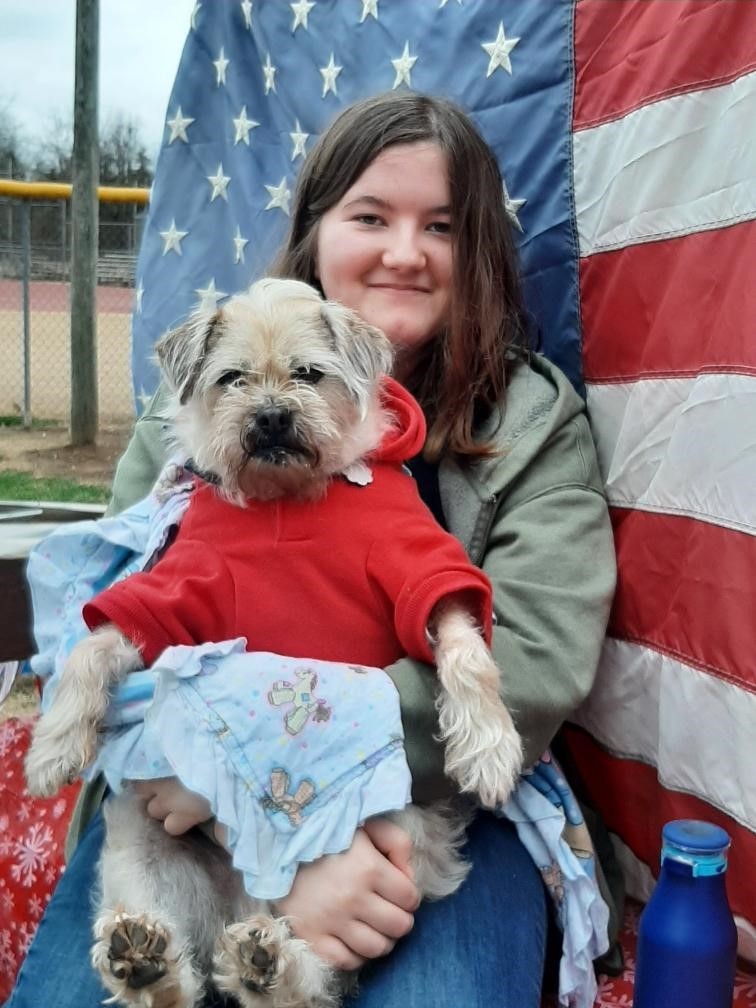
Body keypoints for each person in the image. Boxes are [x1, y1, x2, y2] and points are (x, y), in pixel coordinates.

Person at [6, 92, 616, 1008]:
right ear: (314, 231)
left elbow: (532, 665)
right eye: (370, 217)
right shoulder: (188, 423)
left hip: (426, 801)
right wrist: (228, 795)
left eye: (442, 225)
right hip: (179, 798)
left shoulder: (534, 419)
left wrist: (286, 786)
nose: (404, 252)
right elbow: (121, 602)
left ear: (481, 249)